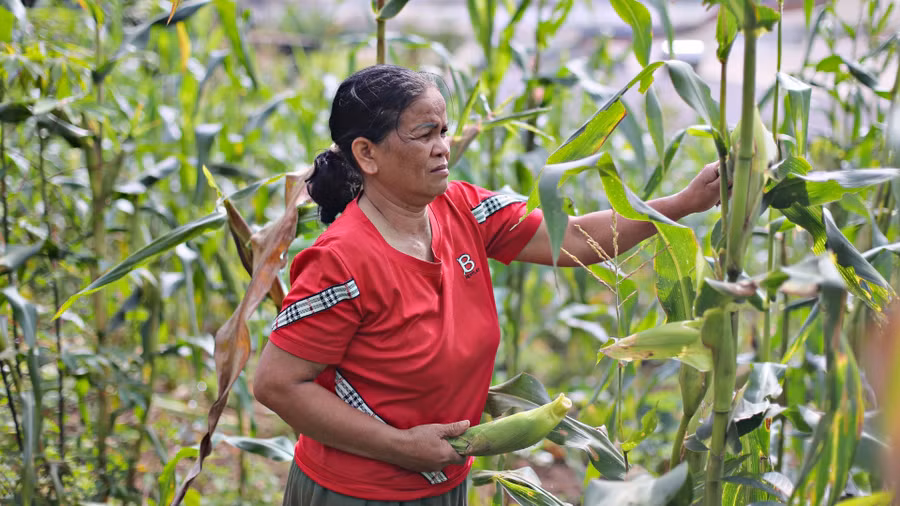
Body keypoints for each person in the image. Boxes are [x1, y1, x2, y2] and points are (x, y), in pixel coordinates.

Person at [253, 64, 722, 505]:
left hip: (441, 483)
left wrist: (683, 202)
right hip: (356, 493)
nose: (443, 147)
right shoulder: (341, 261)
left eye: (443, 131)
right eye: (423, 135)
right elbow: (278, 385)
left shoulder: (462, 208)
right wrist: (399, 446)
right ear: (366, 153)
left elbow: (574, 238)